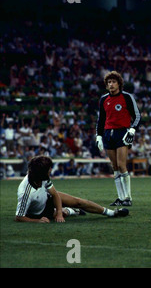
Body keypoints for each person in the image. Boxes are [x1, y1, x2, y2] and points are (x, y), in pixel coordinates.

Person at [15, 155, 129, 223]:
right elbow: (19, 217)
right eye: (49, 169)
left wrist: (59, 212)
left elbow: (55, 195)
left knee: (78, 201)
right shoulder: (26, 192)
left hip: (47, 198)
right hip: (39, 212)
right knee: (61, 214)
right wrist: (37, 221)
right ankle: (71, 211)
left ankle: (112, 213)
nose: (51, 170)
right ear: (42, 173)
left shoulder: (42, 177)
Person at [96, 71, 141, 206]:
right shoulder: (104, 99)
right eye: (109, 82)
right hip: (108, 133)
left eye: (114, 82)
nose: (111, 84)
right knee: (114, 167)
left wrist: (132, 129)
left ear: (119, 84)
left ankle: (128, 197)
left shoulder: (127, 97)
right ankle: (120, 198)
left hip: (122, 133)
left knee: (122, 165)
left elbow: (137, 116)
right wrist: (98, 136)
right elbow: (101, 120)